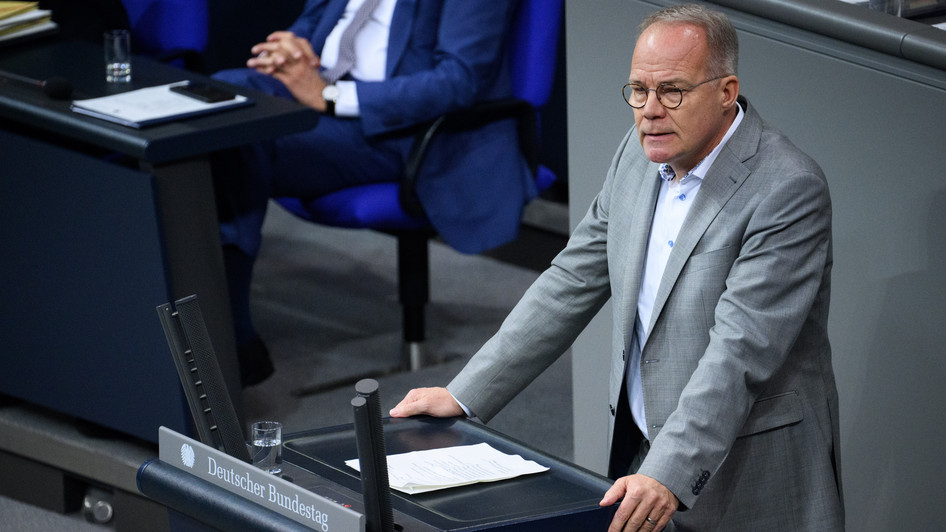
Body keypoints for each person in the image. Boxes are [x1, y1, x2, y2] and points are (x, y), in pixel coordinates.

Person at [390, 4, 844, 531]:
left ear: (725, 91)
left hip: (746, 468)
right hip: (640, 457)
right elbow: (571, 280)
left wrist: (668, 471)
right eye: (638, 90)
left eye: (672, 91)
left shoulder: (786, 189)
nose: (650, 110)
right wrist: (466, 393)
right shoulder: (638, 152)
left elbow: (738, 352)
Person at [210, 0, 536, 386]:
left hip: (395, 128)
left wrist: (332, 97)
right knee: (223, 98)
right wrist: (290, 49)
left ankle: (227, 332)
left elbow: (457, 80)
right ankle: (220, 326)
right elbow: (314, 20)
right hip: (315, 97)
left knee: (233, 137)